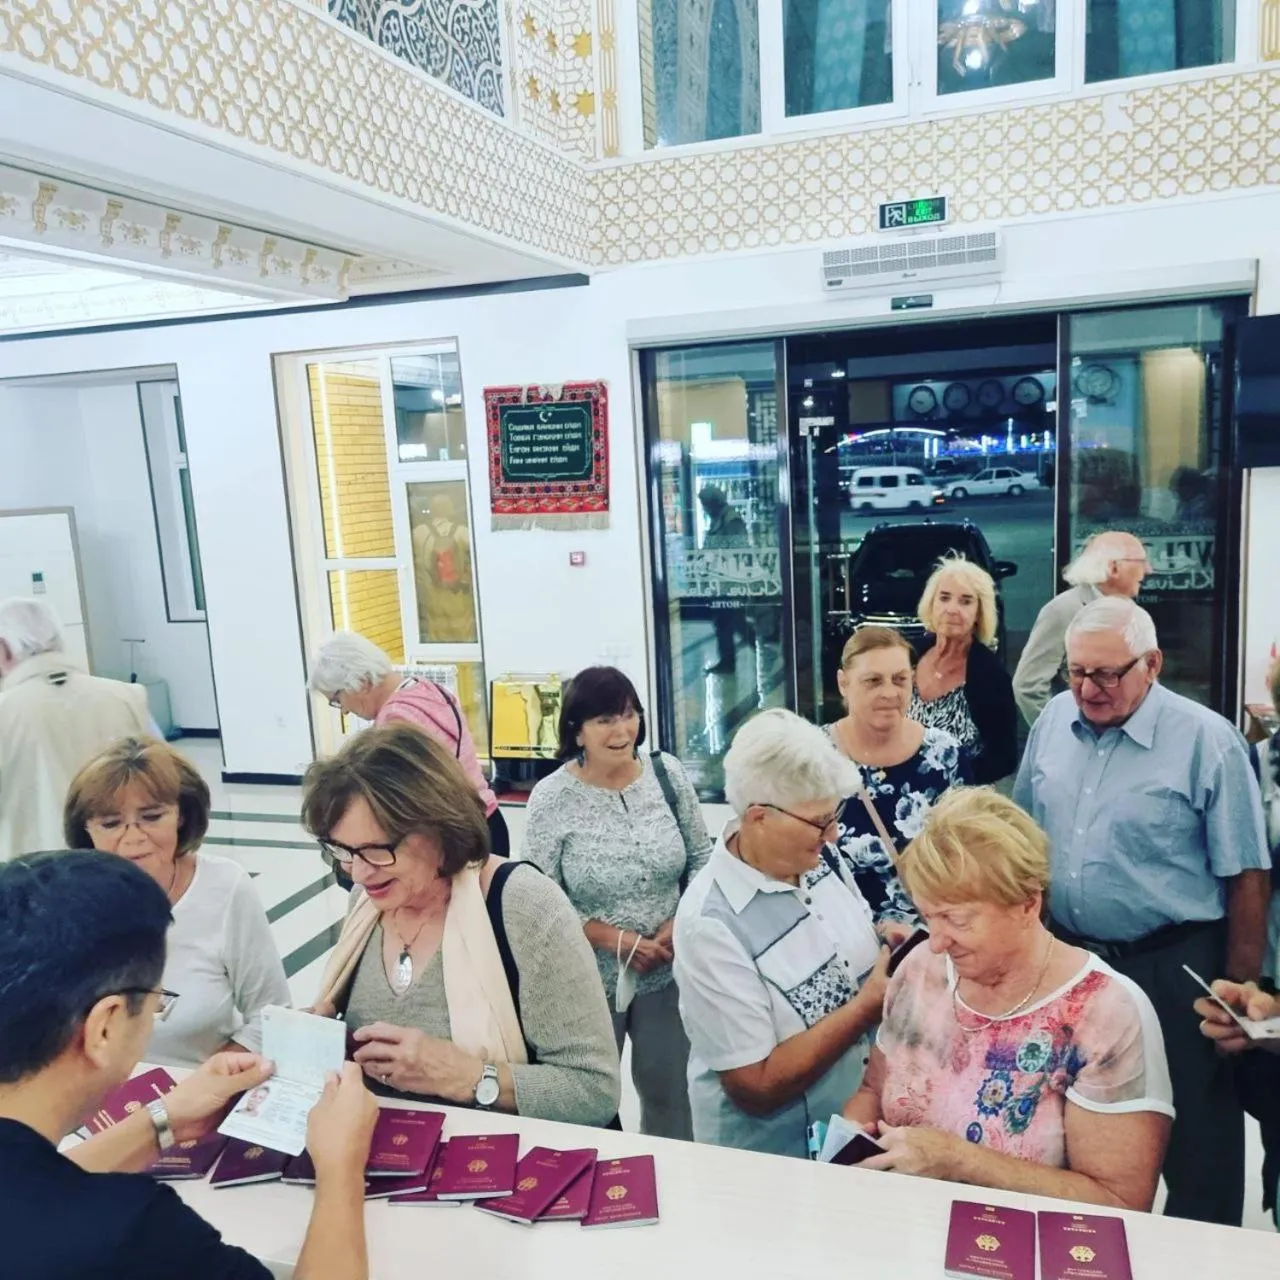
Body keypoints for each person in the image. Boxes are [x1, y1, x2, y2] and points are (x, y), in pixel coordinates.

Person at [1013, 595, 1271, 1226]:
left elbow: (1246, 876)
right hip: (1072, 960)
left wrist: (1239, 986)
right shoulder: (1052, 722)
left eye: (1107, 673)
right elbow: (1020, 835)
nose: (1088, 689)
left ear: (1151, 664)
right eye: (1075, 672)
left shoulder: (1207, 741)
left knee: (1197, 1146)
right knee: (1070, 1127)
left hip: (1174, 965)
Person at [0, 850, 378, 1280]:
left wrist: (165, 1119)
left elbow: (35, 1187)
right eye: (158, 1004)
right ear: (105, 1027)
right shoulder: (129, 1232)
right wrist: (340, 1170)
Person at [844, 787, 1173, 1210]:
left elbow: (1120, 1201)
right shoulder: (920, 969)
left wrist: (960, 1161)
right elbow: (874, 1088)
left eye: (957, 919)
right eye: (928, 916)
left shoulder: (1105, 1013)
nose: (937, 941)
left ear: (1027, 904)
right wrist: (853, 1130)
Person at [303, 722, 621, 1126]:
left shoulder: (521, 906)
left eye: (376, 850)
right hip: (379, 1170)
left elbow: (594, 1092)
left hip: (493, 1172)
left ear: (438, 827)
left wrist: (467, 1077)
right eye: (343, 850)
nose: (359, 873)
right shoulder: (366, 906)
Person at [673, 708, 891, 1158]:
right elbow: (755, 1086)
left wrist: (885, 941)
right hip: (771, 1161)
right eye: (818, 822)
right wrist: (867, 1007)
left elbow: (841, 954)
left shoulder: (816, 859)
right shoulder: (710, 923)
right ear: (758, 818)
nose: (832, 835)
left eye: (835, 816)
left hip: (849, 1130)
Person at [523, 666, 712, 1140]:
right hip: (587, 979)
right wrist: (619, 941)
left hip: (667, 971)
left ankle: (673, 1184)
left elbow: (702, 859)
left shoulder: (666, 775)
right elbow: (539, 898)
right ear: (577, 729)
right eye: (606, 719)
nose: (622, 730)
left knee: (672, 1097)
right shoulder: (551, 799)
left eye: (629, 714)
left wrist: (678, 921)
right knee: (589, 1102)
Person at [64, 737, 290, 1068]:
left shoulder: (225, 888)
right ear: (87, 830)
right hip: (96, 1108)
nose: (132, 837)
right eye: (111, 824)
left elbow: (271, 1016)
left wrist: (207, 1084)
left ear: (182, 815)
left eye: (152, 817)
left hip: (200, 1096)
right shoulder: (67, 903)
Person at [308, 631, 508, 857]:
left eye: (337, 700)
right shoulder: (426, 689)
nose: (343, 710)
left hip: (461, 840)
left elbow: (405, 805)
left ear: (361, 682)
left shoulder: (395, 723)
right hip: (488, 821)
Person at [825, 626, 965, 925]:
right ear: (843, 684)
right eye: (873, 681)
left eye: (900, 680)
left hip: (928, 940)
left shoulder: (945, 755)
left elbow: (965, 857)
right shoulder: (814, 757)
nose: (889, 693)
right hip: (840, 938)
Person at [0, 596, 151, 861]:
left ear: (4, 649)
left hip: (31, 874)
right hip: (117, 864)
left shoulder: (7, 709)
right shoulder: (127, 697)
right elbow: (164, 781)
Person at [1012, 531, 1151, 725]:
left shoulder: (1130, 612)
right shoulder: (1063, 610)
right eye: (1141, 562)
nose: (1149, 570)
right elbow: (1027, 686)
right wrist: (1062, 733)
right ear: (1114, 568)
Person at [910, 555, 1018, 785]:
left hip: (959, 803)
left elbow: (1005, 758)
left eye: (966, 601)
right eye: (945, 598)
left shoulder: (991, 676)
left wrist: (948, 779)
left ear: (979, 613)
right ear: (931, 603)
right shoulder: (908, 655)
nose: (952, 609)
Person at [699, 484, 752, 675]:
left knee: (732, 622)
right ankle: (728, 659)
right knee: (726, 623)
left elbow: (739, 550)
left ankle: (759, 647)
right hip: (720, 582)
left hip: (730, 582)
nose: (704, 509)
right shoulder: (718, 519)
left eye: (705, 504)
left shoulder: (731, 520)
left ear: (714, 503)